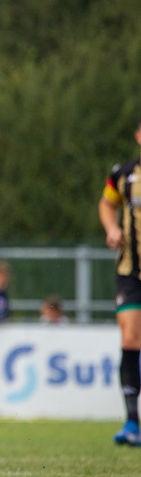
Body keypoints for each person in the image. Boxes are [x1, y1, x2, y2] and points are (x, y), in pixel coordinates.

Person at [98, 118, 141, 447]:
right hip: (130, 271)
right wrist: (112, 229)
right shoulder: (123, 174)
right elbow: (106, 204)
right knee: (130, 338)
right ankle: (131, 422)